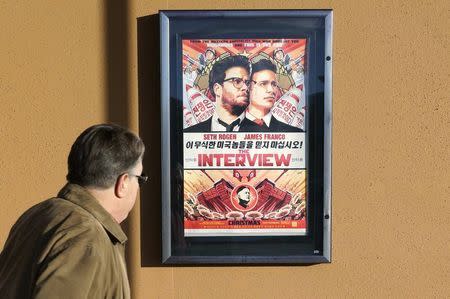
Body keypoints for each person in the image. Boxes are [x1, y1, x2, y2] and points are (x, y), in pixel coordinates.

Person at [0, 124, 146, 299]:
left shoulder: (39, 214)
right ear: (123, 183)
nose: (138, 187)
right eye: (140, 179)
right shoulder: (86, 236)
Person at [185, 55, 250, 132]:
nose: (245, 87)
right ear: (217, 89)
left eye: (247, 82)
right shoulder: (190, 133)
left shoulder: (263, 134)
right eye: (237, 81)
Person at [240, 59, 303, 132]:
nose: (271, 90)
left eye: (274, 84)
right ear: (248, 86)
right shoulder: (231, 129)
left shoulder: (294, 132)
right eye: (263, 84)